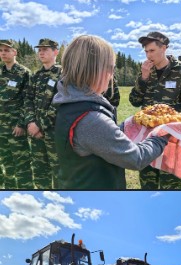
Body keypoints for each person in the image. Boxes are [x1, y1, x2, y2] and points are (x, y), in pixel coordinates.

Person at [53, 35, 170, 189]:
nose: (111, 76)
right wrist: (162, 134)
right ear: (95, 70)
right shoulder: (91, 119)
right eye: (111, 68)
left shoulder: (70, 103)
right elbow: (136, 158)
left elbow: (102, 137)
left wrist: (129, 124)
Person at [129, 31, 181, 190]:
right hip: (148, 137)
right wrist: (143, 79)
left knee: (171, 185)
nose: (148, 55)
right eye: (146, 51)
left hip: (171, 138)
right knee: (148, 184)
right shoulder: (146, 71)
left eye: (151, 51)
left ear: (164, 48)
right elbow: (134, 101)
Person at [24, 38, 62, 189]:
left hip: (54, 133)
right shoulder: (36, 75)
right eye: (39, 50)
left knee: (59, 173)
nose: (41, 52)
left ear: (55, 52)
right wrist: (31, 122)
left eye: (45, 49)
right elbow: (28, 100)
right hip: (36, 134)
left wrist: (41, 126)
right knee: (40, 173)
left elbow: (61, 103)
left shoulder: (63, 74)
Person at [0, 39, 33, 189]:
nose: (3, 53)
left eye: (7, 50)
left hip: (15, 128)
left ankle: (26, 190)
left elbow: (28, 101)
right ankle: (9, 189)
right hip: (1, 128)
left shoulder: (24, 73)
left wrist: (21, 124)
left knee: (22, 164)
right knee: (6, 163)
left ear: (15, 52)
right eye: (1, 50)